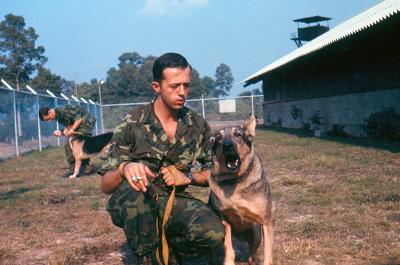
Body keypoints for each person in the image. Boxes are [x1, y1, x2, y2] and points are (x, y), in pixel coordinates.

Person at [99, 53, 224, 265]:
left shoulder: (197, 124)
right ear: (156, 86)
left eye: (186, 85)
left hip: (174, 199)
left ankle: (173, 249)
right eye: (175, 86)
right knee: (136, 192)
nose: (182, 92)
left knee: (213, 233)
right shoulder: (132, 123)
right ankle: (147, 258)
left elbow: (213, 173)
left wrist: (189, 177)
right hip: (135, 202)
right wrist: (124, 169)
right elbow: (105, 185)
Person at [39, 104, 96, 177]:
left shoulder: (63, 111)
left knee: (80, 144)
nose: (50, 120)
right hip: (79, 123)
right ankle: (73, 167)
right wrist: (61, 132)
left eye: (49, 118)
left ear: (50, 112)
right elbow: (70, 125)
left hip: (86, 122)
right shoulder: (58, 116)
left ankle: (86, 166)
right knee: (69, 144)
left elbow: (79, 120)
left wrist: (71, 131)